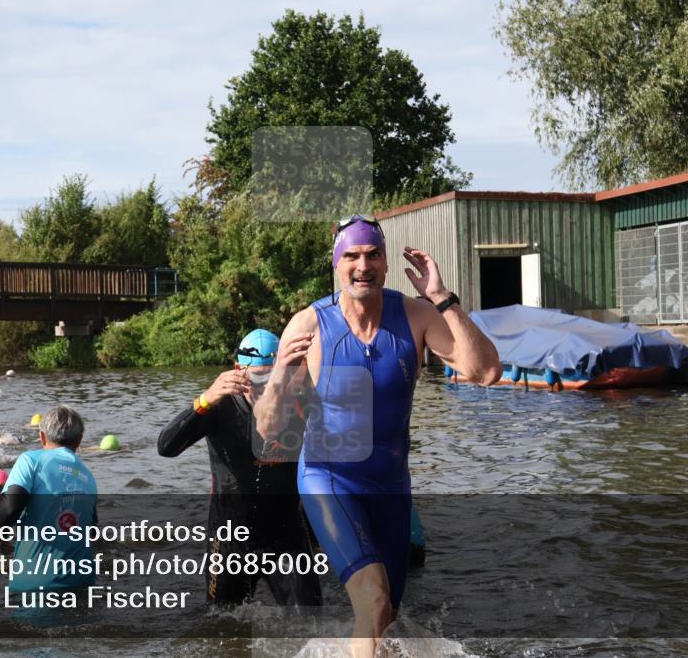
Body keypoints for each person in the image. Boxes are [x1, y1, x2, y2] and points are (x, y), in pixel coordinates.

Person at [254, 214, 501, 655]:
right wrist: (278, 378)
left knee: (386, 619)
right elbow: (267, 428)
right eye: (351, 256)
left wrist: (442, 298)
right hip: (330, 478)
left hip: (390, 487)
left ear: (386, 264)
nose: (362, 266)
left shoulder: (416, 315)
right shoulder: (309, 325)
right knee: (373, 598)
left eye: (372, 255)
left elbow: (485, 372)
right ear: (337, 265)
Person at [157, 329, 322, 607]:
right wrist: (205, 399)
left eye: (272, 377)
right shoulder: (219, 406)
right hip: (230, 538)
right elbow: (166, 447)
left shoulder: (299, 403)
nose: (264, 388)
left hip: (286, 536)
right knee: (221, 627)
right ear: (237, 371)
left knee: (311, 627)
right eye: (255, 377)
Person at [0, 406, 98, 594]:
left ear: (42, 436)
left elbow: (11, 506)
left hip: (36, 583)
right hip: (83, 582)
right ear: (79, 440)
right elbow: (91, 531)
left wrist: (1, 537)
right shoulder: (88, 477)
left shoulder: (30, 460)